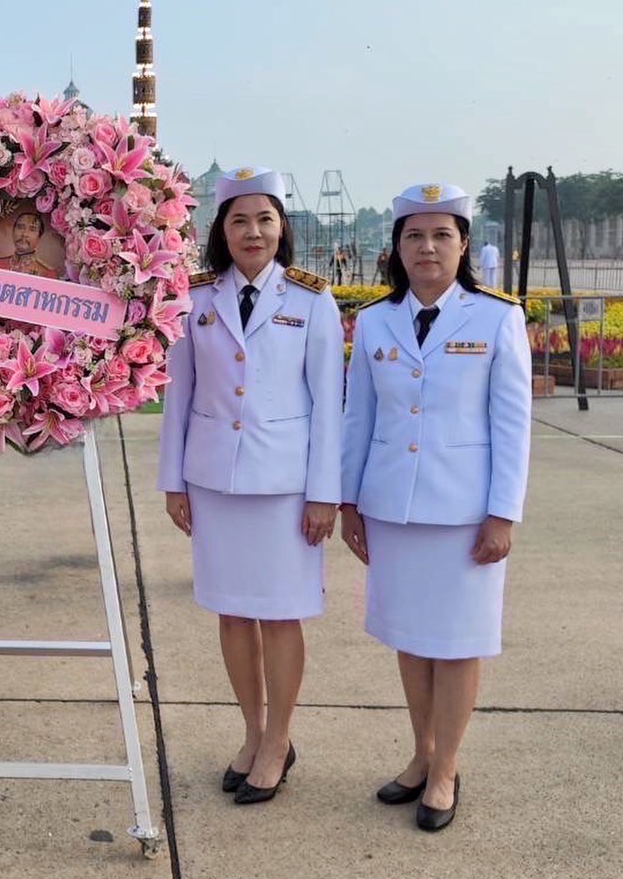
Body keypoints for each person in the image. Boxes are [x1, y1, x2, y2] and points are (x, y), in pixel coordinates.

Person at [340, 183, 531, 832]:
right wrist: (349, 501)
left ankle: (446, 766)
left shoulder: (496, 317)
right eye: (414, 235)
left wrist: (503, 513)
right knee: (411, 640)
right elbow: (358, 418)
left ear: (463, 244)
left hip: (465, 514)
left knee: (456, 645)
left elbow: (513, 426)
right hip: (392, 505)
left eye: (441, 235)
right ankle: (421, 755)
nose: (427, 247)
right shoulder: (373, 321)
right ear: (396, 247)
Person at [158, 166, 345, 804]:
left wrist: (325, 493)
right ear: (221, 230)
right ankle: (254, 730)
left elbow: (329, 405)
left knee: (282, 615)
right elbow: (177, 396)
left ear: (282, 227)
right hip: (213, 479)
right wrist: (173, 482)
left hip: (287, 488)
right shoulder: (196, 299)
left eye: (265, 218)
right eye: (239, 219)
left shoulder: (311, 301)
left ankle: (280, 739)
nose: (253, 231)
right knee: (233, 613)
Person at [0, 204, 58, 278]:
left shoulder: (46, 273)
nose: (24, 234)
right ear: (13, 231)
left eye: (32, 229)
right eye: (20, 227)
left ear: (39, 237)